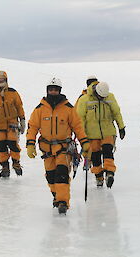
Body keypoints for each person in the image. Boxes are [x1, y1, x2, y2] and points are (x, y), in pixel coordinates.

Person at [26, 77, 90, 214]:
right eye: (51, 89)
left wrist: (84, 143)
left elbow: (78, 127)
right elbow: (32, 127)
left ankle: (63, 202)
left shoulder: (68, 109)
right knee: (51, 176)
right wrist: (30, 144)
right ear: (47, 90)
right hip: (47, 150)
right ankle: (57, 196)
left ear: (60, 91)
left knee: (61, 174)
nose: (53, 92)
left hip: (64, 149)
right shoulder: (40, 109)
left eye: (55, 90)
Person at [76, 81, 125, 188]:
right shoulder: (84, 99)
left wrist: (121, 127)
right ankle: (99, 177)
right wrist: (82, 136)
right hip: (92, 134)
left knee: (108, 151)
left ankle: (109, 173)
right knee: (95, 157)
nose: (102, 98)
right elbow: (80, 119)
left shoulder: (110, 97)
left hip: (108, 131)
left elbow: (116, 112)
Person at [0, 71, 26, 177]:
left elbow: (19, 106)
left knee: (13, 144)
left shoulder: (13, 93)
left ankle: (16, 163)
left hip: (13, 124)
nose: (1, 81)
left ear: (6, 80)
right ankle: (5, 166)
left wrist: (22, 120)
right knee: (1, 146)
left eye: (3, 79)